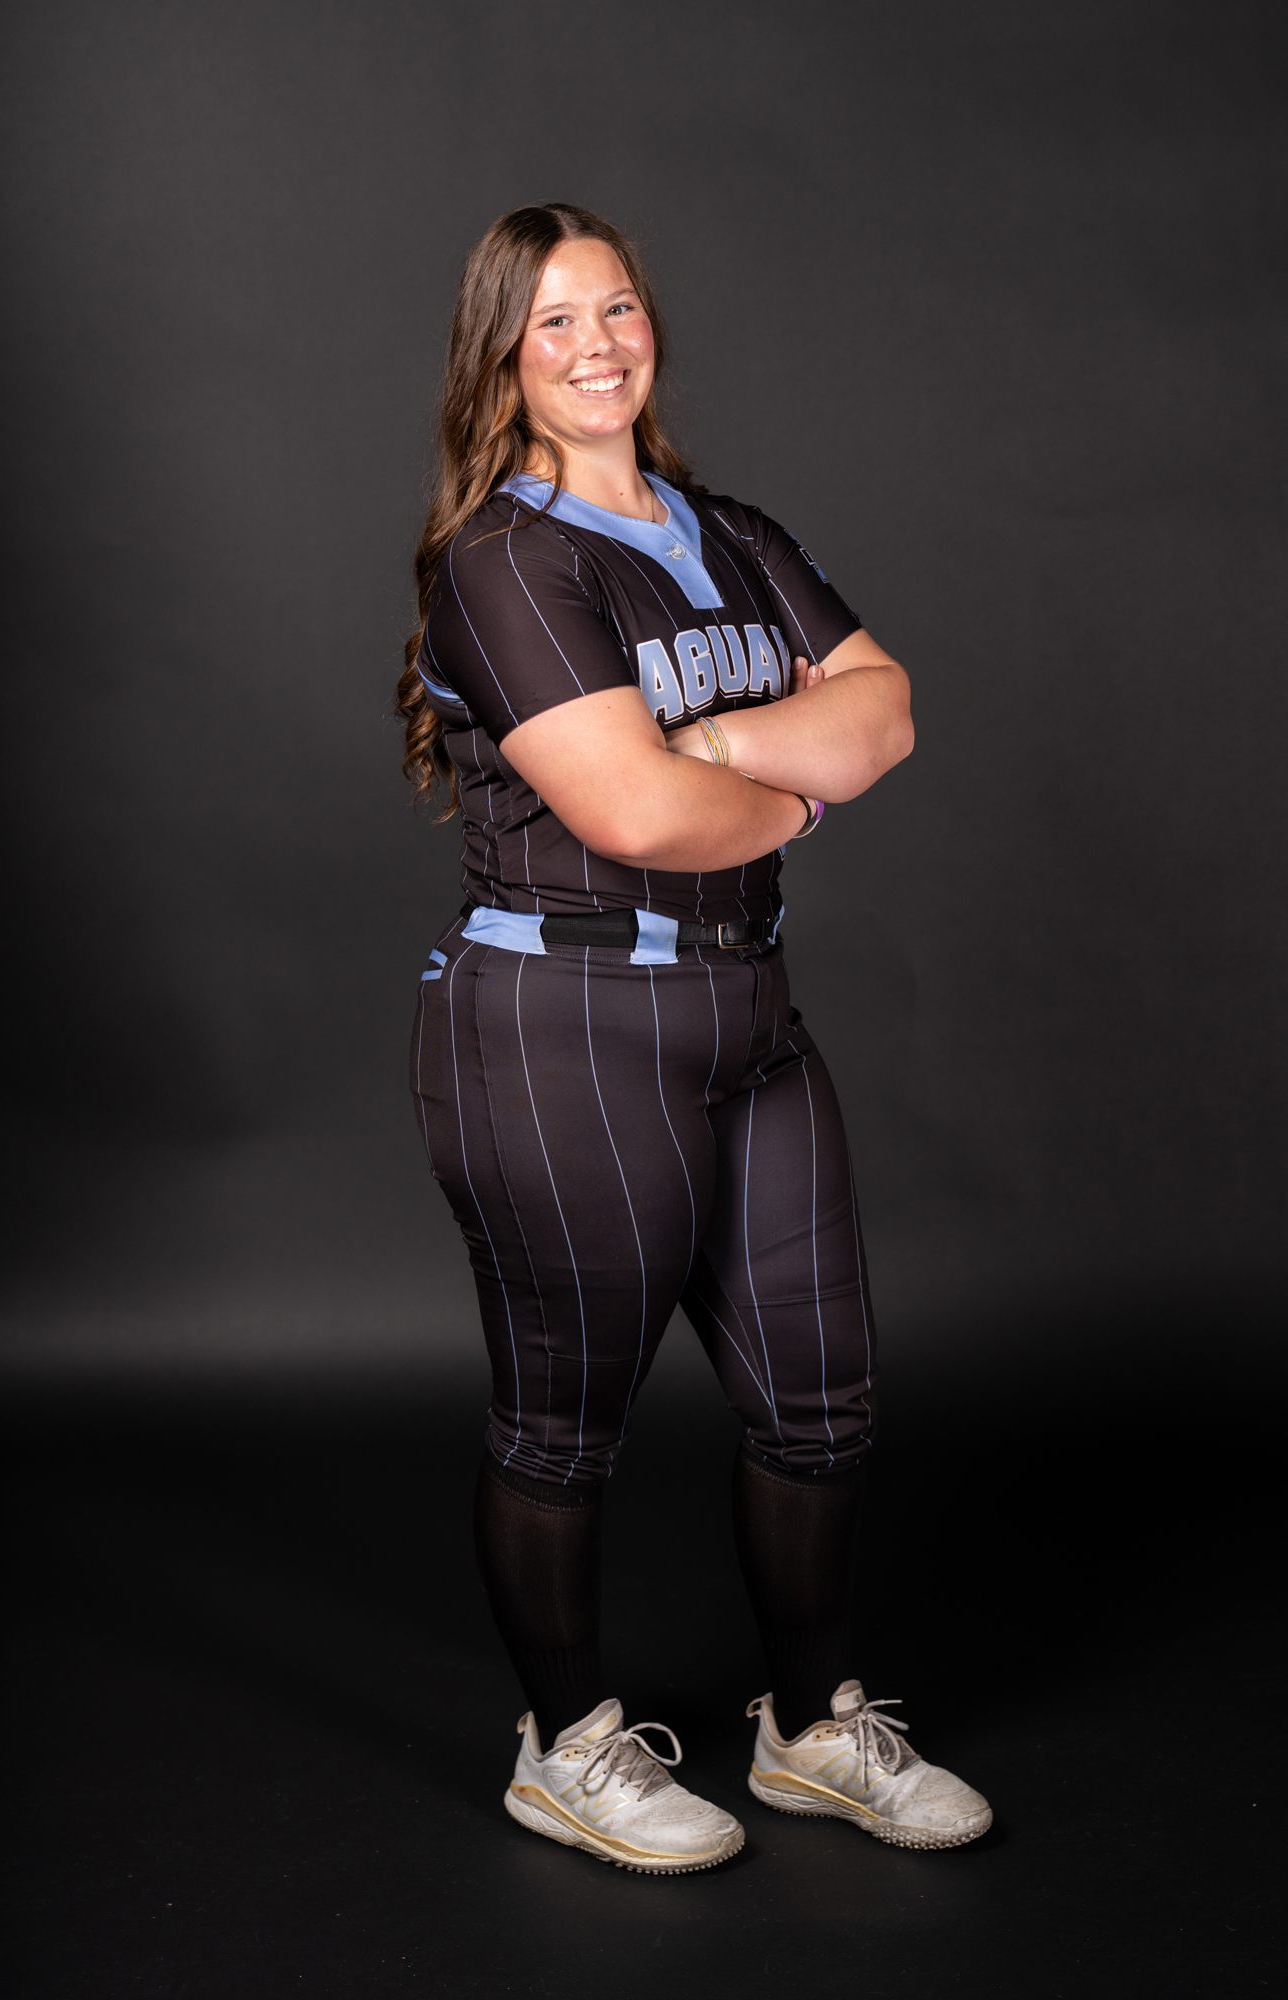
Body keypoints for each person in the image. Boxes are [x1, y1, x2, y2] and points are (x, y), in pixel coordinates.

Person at [398, 202, 991, 1874]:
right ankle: (566, 1747)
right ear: (502, 358)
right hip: (562, 1026)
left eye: (618, 309)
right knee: (561, 1426)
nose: (598, 346)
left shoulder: (725, 530)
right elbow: (636, 815)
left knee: (822, 1401)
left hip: (747, 1011)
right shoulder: (504, 561)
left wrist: (726, 747)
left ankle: (808, 1731)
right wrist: (790, 780)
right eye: (555, 322)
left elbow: (887, 709)